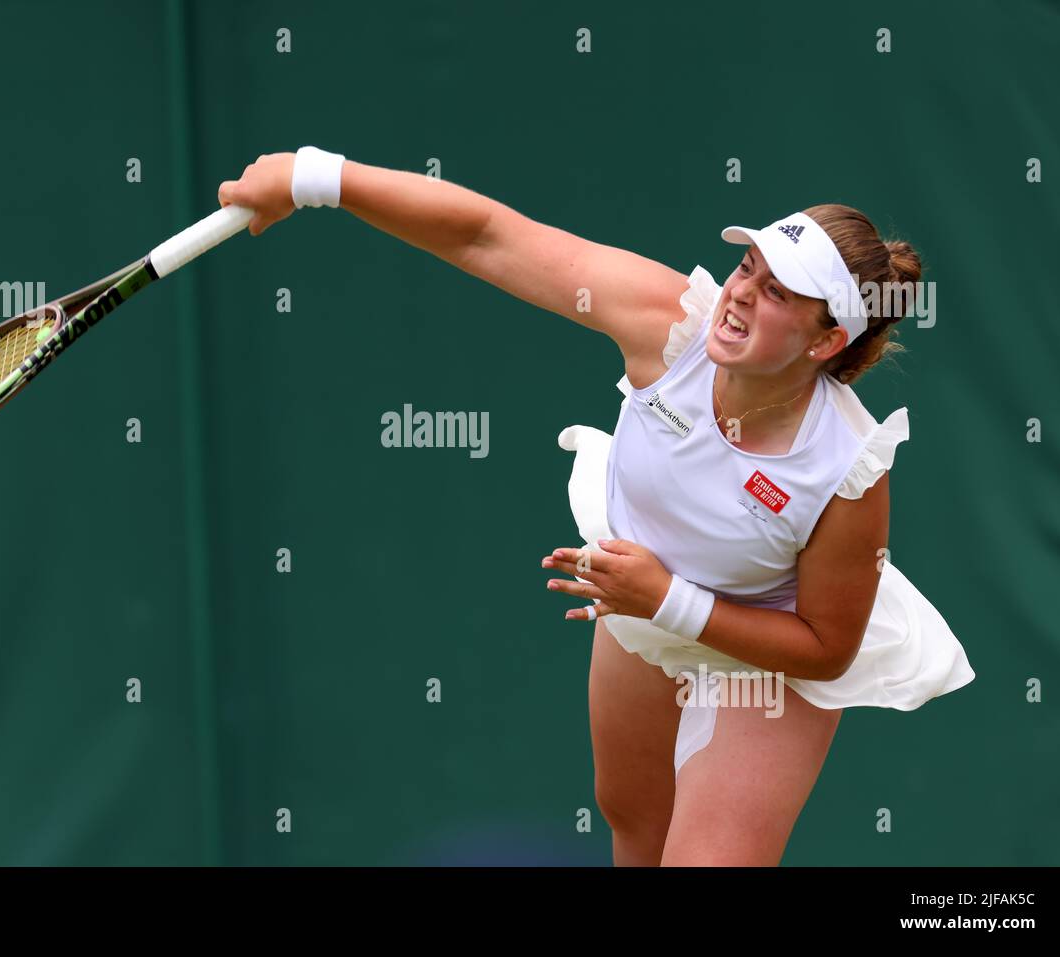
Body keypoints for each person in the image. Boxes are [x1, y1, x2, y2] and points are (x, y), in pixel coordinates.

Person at [217, 147, 976, 866]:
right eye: (749, 266)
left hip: (769, 648)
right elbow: (488, 234)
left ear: (826, 339)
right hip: (643, 598)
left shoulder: (848, 468)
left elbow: (827, 648)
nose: (741, 292)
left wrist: (669, 600)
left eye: (777, 291)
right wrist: (318, 177)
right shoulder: (667, 322)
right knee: (634, 829)